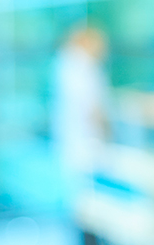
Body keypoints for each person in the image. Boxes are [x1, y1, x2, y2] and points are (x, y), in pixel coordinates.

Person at [51, 25, 111, 189]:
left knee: (77, 185)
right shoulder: (84, 66)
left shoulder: (66, 63)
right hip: (87, 140)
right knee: (89, 186)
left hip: (73, 139)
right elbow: (92, 106)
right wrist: (107, 131)